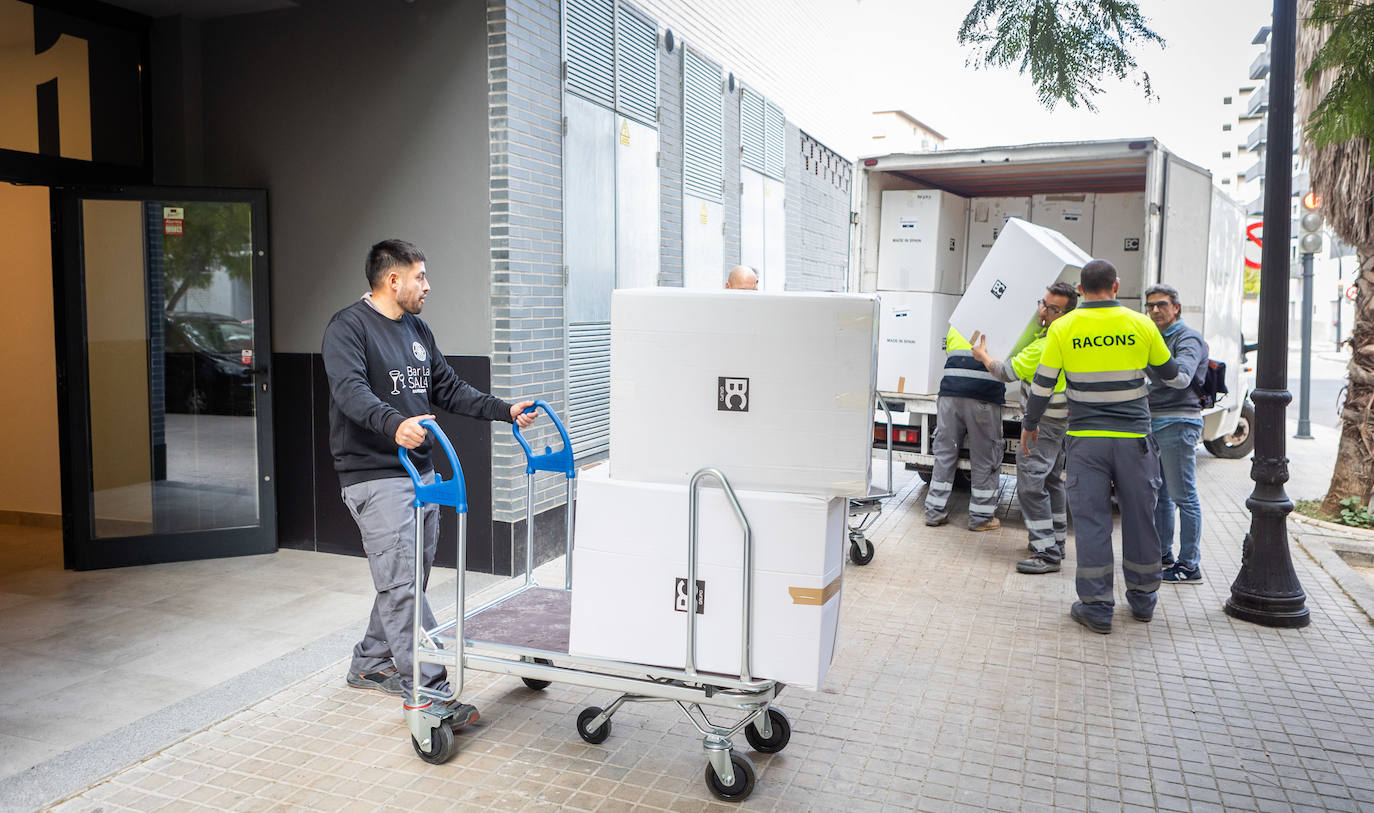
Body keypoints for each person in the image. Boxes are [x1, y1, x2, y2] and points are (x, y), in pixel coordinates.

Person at [323, 239, 537, 725]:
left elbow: (448, 388)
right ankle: (431, 692)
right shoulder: (348, 328)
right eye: (420, 276)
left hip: (419, 472)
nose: (427, 286)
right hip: (374, 474)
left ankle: (371, 661)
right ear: (392, 279)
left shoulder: (416, 328)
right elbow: (350, 391)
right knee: (401, 583)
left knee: (408, 578)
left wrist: (503, 410)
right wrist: (390, 423)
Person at [1021, 260, 1192, 634]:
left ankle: (1097, 608)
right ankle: (1143, 601)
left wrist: (1030, 424)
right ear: (1116, 286)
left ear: (1080, 290)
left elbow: (1042, 385)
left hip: (1086, 443)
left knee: (1092, 523)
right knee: (1140, 519)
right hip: (1134, 442)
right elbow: (1175, 377)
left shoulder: (1064, 328)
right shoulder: (1141, 324)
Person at [970, 281, 1078, 573]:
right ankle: (1056, 542)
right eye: (1042, 303)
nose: (1043, 310)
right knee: (1052, 481)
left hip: (1041, 425)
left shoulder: (1044, 346)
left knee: (1030, 486)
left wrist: (983, 356)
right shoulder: (1066, 340)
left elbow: (1006, 372)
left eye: (1052, 308)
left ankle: (1045, 552)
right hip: (1060, 422)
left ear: (1064, 315)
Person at [1143, 284, 1208, 584]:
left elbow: (1181, 378)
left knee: (1184, 496)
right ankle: (1164, 555)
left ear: (1176, 308)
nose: (1155, 310)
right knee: (1163, 496)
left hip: (1179, 423)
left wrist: (1148, 363)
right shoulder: (1156, 337)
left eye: (1162, 304)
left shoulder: (1188, 338)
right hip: (1157, 422)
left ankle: (1190, 564)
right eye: (1151, 305)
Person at [925, 326, 1006, 532]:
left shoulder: (956, 325)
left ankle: (934, 512)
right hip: (983, 397)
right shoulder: (1001, 324)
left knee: (944, 454)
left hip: (949, 394)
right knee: (985, 457)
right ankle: (980, 518)